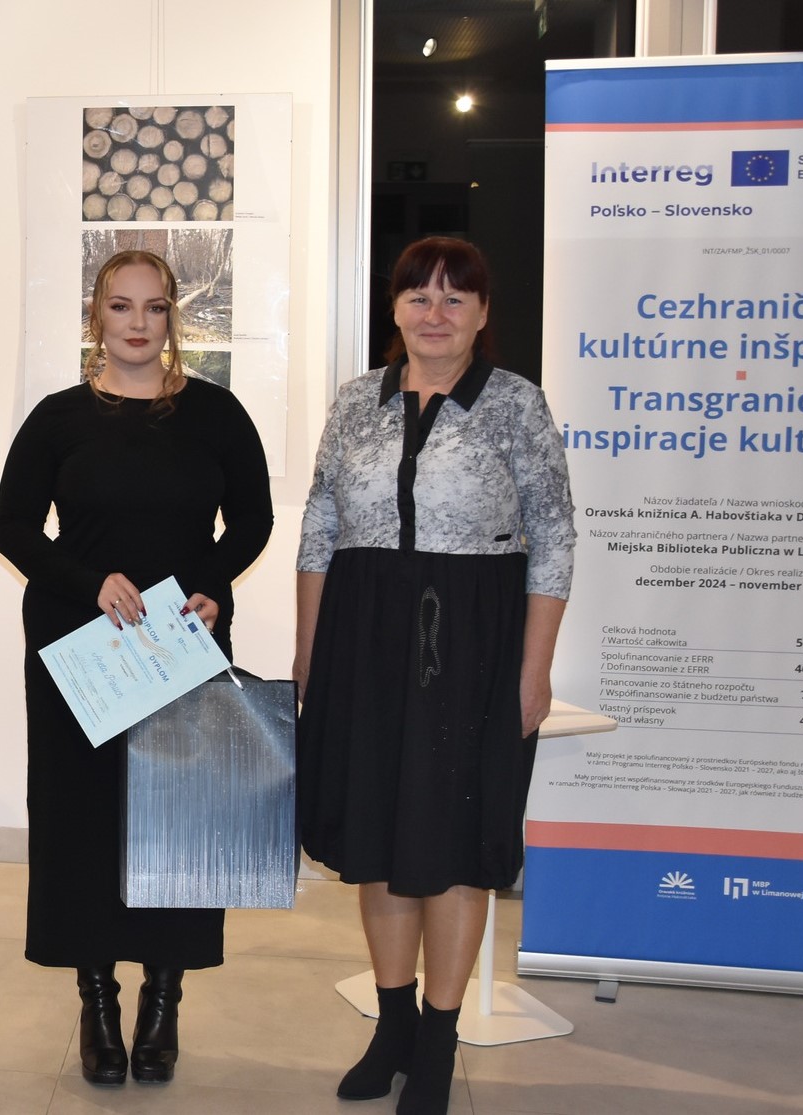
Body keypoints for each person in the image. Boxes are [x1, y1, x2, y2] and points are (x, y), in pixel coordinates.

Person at [294, 236, 575, 1115]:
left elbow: (553, 538)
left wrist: (534, 670)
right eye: (419, 295)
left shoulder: (516, 404)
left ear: (484, 313)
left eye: (456, 297)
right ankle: (393, 1026)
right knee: (377, 838)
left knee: (452, 843)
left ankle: (440, 1039)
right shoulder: (356, 401)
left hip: (475, 647)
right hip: (364, 638)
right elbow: (319, 527)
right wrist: (310, 653)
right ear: (395, 308)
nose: (436, 313)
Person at [0, 249, 273, 1088]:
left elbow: (252, 521)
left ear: (173, 315)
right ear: (97, 317)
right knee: (82, 823)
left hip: (182, 641)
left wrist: (210, 584)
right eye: (121, 306)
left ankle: (163, 1000)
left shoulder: (217, 414)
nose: (139, 323)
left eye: (154, 307)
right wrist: (88, 580)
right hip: (82, 650)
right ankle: (96, 999)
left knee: (174, 825)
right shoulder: (58, 418)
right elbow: (13, 526)